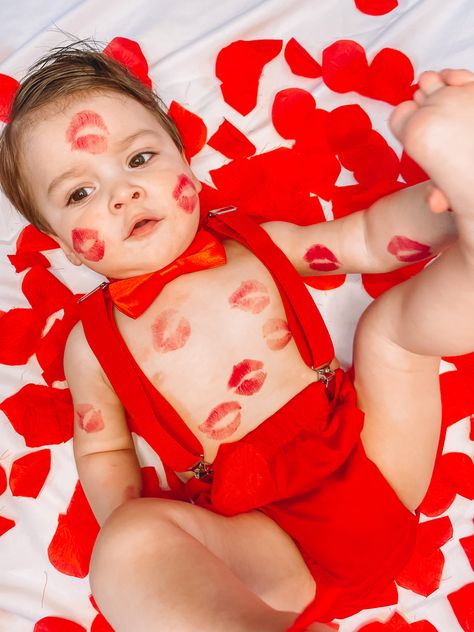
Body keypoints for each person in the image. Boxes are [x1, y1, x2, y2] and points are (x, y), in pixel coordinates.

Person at [0, 39, 472, 632]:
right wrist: (155, 549)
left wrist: (440, 205)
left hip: (371, 459)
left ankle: (468, 212)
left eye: (140, 159)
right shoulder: (92, 344)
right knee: (129, 543)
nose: (123, 193)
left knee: (393, 334)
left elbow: (367, 239)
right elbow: (102, 449)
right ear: (65, 244)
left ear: (184, 164)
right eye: (79, 193)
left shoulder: (255, 244)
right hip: (268, 551)